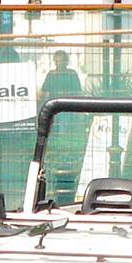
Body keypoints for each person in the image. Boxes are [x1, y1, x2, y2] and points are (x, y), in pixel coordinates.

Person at [38, 51, 87, 204]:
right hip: (53, 107)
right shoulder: (51, 75)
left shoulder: (71, 74)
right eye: (57, 61)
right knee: (54, 128)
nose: (59, 63)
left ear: (66, 61)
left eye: (62, 61)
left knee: (65, 128)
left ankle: (64, 148)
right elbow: (44, 91)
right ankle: (57, 147)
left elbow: (77, 91)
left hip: (66, 106)